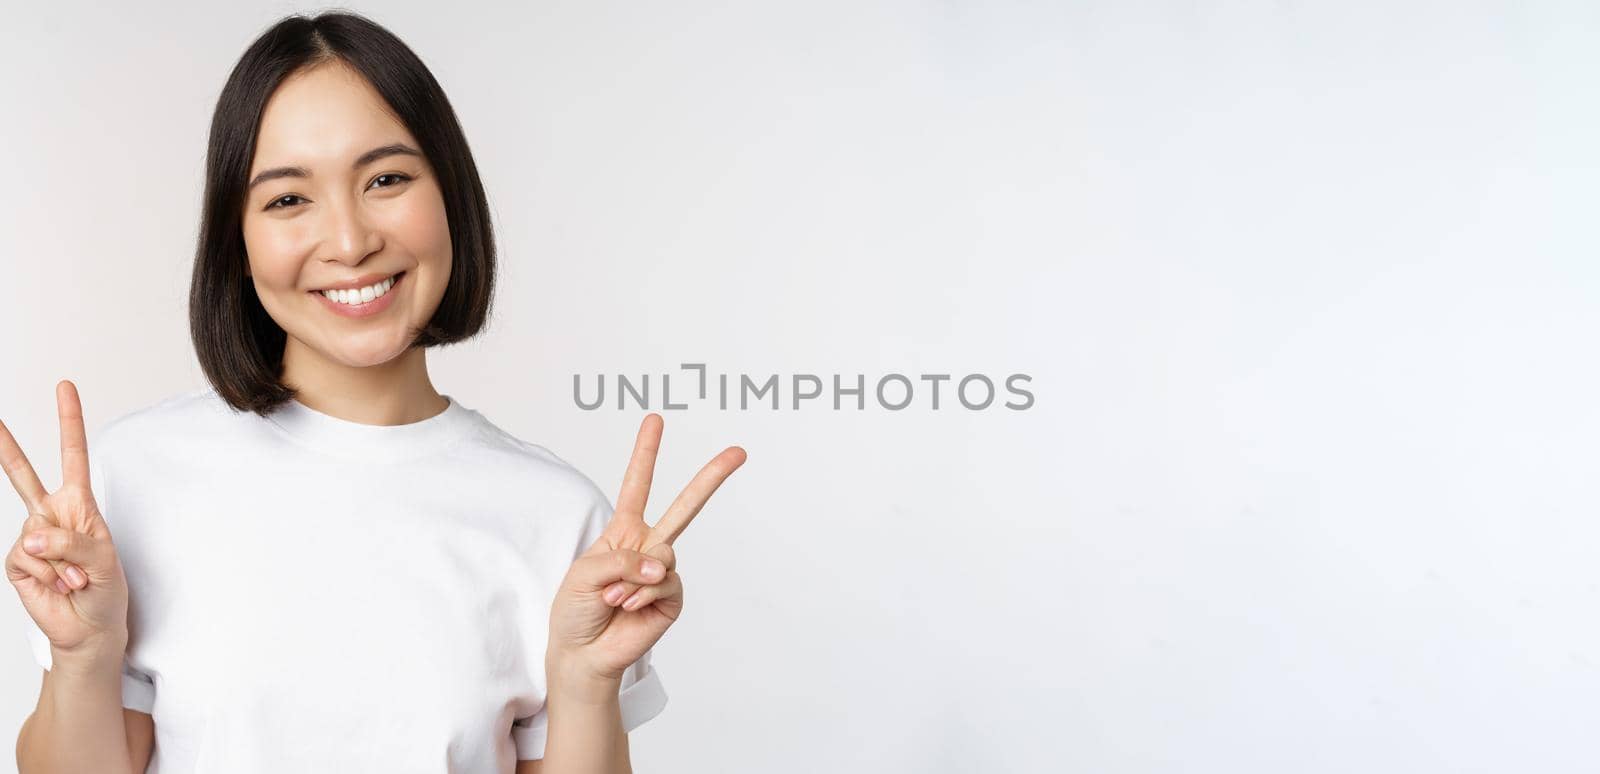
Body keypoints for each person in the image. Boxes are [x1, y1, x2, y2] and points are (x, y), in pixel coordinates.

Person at [1, 10, 745, 774]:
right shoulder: (133, 480)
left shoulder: (561, 520)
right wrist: (85, 655)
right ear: (239, 240)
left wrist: (586, 686)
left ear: (450, 194)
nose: (351, 242)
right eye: (289, 199)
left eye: (386, 179)